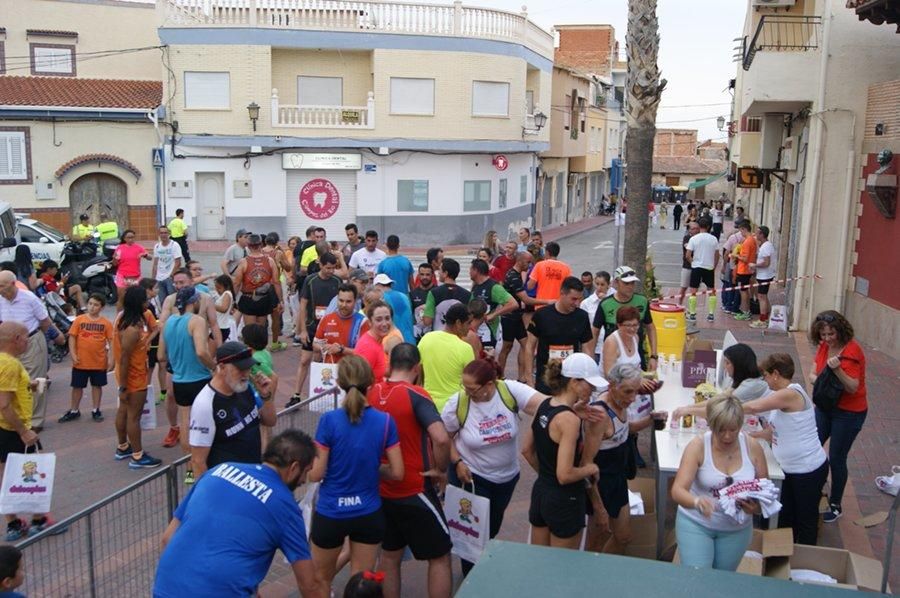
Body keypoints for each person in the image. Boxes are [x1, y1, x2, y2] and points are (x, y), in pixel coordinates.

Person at [153, 430, 326, 598]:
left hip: (166, 588)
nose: (304, 480)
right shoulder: (285, 505)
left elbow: (167, 538)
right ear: (294, 468)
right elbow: (309, 586)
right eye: (306, 471)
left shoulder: (219, 470)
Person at [678, 353, 827, 545]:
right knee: (787, 517)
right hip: (790, 469)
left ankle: (806, 562)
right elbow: (771, 432)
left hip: (808, 469)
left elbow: (751, 407)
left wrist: (695, 409)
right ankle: (786, 557)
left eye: (765, 375)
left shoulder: (790, 393)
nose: (764, 380)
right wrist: (746, 438)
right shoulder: (779, 397)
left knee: (805, 519)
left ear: (775, 374)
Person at [441, 359, 550, 576]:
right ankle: (472, 580)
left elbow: (546, 406)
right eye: (465, 387)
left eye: (472, 389)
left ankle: (480, 567)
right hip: (471, 477)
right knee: (473, 535)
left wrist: (571, 408)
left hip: (506, 478)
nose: (467, 392)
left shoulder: (509, 391)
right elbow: (444, 437)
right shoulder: (459, 403)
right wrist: (457, 462)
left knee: (491, 527)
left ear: (490, 384)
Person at [308, 355, 403, 589]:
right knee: (361, 584)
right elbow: (398, 472)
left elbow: (316, 474)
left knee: (320, 579)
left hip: (331, 512)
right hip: (368, 513)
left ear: (339, 383)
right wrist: (374, 467)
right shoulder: (385, 421)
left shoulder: (328, 420)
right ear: (371, 382)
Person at [367, 344, 452, 598]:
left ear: (390, 364)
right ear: (417, 368)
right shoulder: (417, 395)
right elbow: (441, 438)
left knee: (390, 556)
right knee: (439, 557)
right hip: (414, 488)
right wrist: (441, 469)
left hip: (381, 489)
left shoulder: (371, 392)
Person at [672, 395, 768, 571]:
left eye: (733, 430)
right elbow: (678, 490)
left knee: (723, 579)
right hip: (696, 524)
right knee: (698, 577)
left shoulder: (752, 447)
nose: (727, 436)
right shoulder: (698, 446)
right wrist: (696, 502)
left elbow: (765, 493)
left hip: (736, 529)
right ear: (711, 425)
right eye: (720, 430)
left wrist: (756, 507)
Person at [522, 353, 604, 549]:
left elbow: (526, 450)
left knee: (541, 563)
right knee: (563, 570)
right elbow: (565, 475)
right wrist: (590, 469)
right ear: (574, 382)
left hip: (541, 493)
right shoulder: (570, 420)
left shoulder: (544, 404)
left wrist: (546, 476)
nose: (592, 390)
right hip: (565, 500)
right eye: (589, 384)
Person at [808, 310, 867, 524]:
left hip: (849, 413)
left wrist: (837, 370)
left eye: (831, 334)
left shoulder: (852, 351)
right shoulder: (824, 346)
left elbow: (852, 386)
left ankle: (835, 503)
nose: (827, 339)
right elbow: (813, 373)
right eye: (823, 335)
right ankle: (813, 488)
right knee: (813, 447)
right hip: (826, 407)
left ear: (840, 330)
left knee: (837, 457)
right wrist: (820, 380)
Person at [188, 341, 277, 478]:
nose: (246, 374)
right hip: (226, 484)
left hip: (252, 475)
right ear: (222, 367)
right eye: (241, 369)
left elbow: (270, 421)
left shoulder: (244, 387)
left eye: (248, 368)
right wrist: (208, 496)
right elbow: (198, 461)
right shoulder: (205, 404)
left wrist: (266, 396)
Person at [0, 322, 54, 541]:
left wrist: (28, 385)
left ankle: (12, 522)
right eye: (25, 337)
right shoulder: (10, 364)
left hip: (3, 428)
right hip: (14, 428)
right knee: (34, 472)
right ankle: (39, 519)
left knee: (5, 474)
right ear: (15, 339)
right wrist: (23, 431)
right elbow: (3, 403)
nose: (28, 341)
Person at [583, 363, 643, 554]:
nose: (632, 398)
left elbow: (625, 429)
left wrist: (651, 420)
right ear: (611, 387)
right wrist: (598, 505)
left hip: (618, 481)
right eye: (627, 392)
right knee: (596, 541)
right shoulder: (600, 415)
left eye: (635, 392)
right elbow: (586, 464)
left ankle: (602, 571)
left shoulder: (620, 403)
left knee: (624, 537)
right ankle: (587, 578)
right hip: (600, 486)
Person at [158, 286, 215, 483]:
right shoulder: (197, 321)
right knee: (206, 423)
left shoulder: (169, 322)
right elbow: (201, 351)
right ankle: (203, 465)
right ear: (193, 301)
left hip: (179, 380)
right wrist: (213, 366)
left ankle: (190, 470)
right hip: (199, 378)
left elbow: (160, 356)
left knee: (185, 422)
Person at [0, 271, 66, 431]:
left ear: (13, 284)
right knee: (11, 381)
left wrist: (53, 338)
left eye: (3, 286)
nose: (0, 290)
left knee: (35, 380)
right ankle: (14, 418)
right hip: (9, 346)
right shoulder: (1, 300)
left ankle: (34, 422)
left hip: (31, 340)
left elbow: (45, 321)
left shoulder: (29, 298)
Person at [113, 285, 162, 469]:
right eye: (145, 300)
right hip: (133, 377)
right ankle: (137, 455)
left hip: (130, 375)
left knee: (124, 411)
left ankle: (123, 446)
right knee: (134, 416)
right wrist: (124, 387)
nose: (147, 303)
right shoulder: (132, 329)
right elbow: (125, 359)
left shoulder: (128, 321)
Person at [525, 276, 593, 395]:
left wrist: (588, 376)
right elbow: (529, 347)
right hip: (546, 378)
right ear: (562, 293)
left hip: (571, 379)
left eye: (579, 299)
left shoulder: (582, 316)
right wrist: (529, 379)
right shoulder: (542, 315)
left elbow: (587, 348)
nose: (577, 303)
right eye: (573, 299)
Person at [291, 252, 341, 404]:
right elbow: (303, 305)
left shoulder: (337, 281)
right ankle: (296, 395)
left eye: (333, 268)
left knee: (320, 360)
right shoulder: (310, 280)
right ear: (321, 265)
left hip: (330, 329)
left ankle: (319, 393)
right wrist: (302, 330)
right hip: (312, 327)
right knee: (305, 360)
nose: (330, 271)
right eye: (327, 268)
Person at [590, 266, 659, 372]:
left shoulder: (642, 301)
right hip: (612, 358)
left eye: (633, 283)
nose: (630, 287)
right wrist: (591, 357)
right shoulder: (605, 304)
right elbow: (595, 332)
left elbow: (650, 328)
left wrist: (654, 356)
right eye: (626, 283)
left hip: (636, 356)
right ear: (616, 283)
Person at [59, 293, 113, 423]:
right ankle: (74, 410)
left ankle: (96, 409)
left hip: (98, 362)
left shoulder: (106, 323)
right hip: (81, 361)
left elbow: (112, 342)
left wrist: (111, 359)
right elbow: (72, 337)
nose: (92, 307)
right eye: (90, 304)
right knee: (77, 386)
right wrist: (73, 354)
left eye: (96, 305)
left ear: (102, 307)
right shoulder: (79, 320)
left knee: (97, 386)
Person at [418, 303, 475, 412]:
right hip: (454, 408)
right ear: (458, 323)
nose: (470, 327)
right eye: (468, 323)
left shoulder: (426, 338)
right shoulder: (465, 348)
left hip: (428, 407)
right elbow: (471, 383)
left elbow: (418, 373)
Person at [233, 234, 282, 328]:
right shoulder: (270, 261)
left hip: (248, 298)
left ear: (248, 246)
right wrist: (280, 300)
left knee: (250, 329)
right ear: (261, 245)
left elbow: (237, 283)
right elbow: (276, 282)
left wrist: (233, 299)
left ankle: (251, 342)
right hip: (264, 298)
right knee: (260, 328)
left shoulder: (244, 261)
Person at [468, 259, 517, 354]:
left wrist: (494, 314)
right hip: (476, 332)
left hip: (489, 335)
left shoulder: (494, 287)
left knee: (487, 363)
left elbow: (513, 304)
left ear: (476, 270)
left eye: (470, 269)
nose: (469, 272)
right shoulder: (476, 286)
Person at [315, 284, 367, 362]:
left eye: (348, 301)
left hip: (352, 371)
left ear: (355, 301)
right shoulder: (326, 318)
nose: (344, 305)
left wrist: (342, 350)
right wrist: (326, 347)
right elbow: (315, 344)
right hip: (329, 371)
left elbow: (365, 352)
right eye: (341, 300)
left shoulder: (362, 322)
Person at [685, 216, 720, 322]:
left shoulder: (694, 239)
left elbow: (688, 255)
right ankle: (711, 314)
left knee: (693, 291)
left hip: (697, 267)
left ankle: (692, 314)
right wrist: (714, 265)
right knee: (711, 291)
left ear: (699, 226)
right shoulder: (713, 239)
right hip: (709, 267)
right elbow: (717, 254)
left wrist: (693, 263)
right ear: (708, 226)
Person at [422, 258, 471, 331]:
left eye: (440, 270)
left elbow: (427, 321)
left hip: (439, 337)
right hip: (459, 337)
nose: (438, 273)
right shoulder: (468, 295)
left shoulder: (433, 293)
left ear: (445, 273)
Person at [354, 300, 394, 384]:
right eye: (379, 320)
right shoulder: (368, 347)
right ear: (369, 322)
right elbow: (360, 383)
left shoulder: (377, 341)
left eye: (387, 318)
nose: (384, 323)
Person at [579, 271, 612, 366]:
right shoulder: (586, 303)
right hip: (594, 347)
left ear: (608, 285)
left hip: (610, 346)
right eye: (597, 284)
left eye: (602, 284)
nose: (599, 287)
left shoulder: (612, 301)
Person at [112, 229, 151, 307]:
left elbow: (150, 258)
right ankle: (119, 318)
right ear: (124, 239)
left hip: (135, 277)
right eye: (128, 237)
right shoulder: (120, 248)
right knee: (121, 299)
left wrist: (145, 255)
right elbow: (114, 264)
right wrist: (115, 258)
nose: (131, 239)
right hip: (122, 277)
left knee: (136, 299)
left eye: (132, 237)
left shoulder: (138, 248)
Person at [373, 274, 415, 344]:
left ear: (378, 286)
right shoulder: (404, 296)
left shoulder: (381, 299)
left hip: (393, 342)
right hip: (410, 341)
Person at [526, 241, 571, 306]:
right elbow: (568, 288)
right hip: (559, 305)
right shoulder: (566, 268)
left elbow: (530, 286)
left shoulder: (539, 265)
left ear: (547, 252)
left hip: (542, 304)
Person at [749, 225, 776, 329]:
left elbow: (766, 263)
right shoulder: (765, 245)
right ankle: (768, 316)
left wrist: (754, 265)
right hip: (764, 275)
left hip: (765, 276)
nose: (755, 234)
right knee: (763, 296)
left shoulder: (766, 247)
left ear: (762, 234)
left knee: (761, 297)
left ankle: (763, 319)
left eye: (757, 233)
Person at [151, 225, 184, 304]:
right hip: (159, 278)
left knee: (172, 300)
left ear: (169, 234)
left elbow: (178, 262)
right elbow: (155, 264)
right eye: (161, 233)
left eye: (165, 233)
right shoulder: (157, 246)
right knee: (162, 301)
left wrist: (171, 276)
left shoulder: (174, 245)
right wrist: (152, 280)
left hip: (169, 278)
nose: (163, 235)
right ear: (159, 234)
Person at [733, 220, 757, 321]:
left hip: (744, 270)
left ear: (744, 229)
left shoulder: (748, 241)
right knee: (744, 291)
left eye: (741, 231)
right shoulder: (751, 240)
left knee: (743, 292)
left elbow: (745, 259)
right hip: (746, 270)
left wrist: (736, 255)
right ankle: (746, 311)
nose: (740, 234)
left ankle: (745, 312)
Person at [410, 263, 434, 342]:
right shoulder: (412, 294)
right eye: (422, 274)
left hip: (433, 336)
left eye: (427, 274)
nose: (425, 277)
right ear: (418, 275)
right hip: (417, 337)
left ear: (432, 275)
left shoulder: (438, 292)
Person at [211, 275, 235, 342]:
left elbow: (224, 309)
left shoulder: (227, 293)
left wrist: (210, 304)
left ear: (227, 286)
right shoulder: (224, 295)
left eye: (219, 288)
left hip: (221, 327)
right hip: (220, 326)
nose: (217, 290)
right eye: (216, 287)